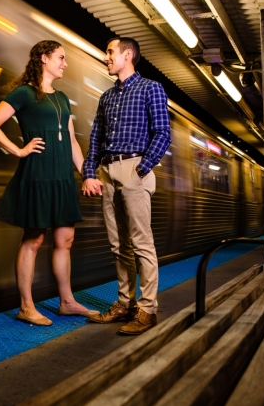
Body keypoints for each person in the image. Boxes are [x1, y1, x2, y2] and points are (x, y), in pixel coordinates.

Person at [0, 40, 98, 326]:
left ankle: (67, 302)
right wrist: (19, 150)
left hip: (61, 176)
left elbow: (71, 140)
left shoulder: (61, 98)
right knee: (33, 240)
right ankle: (26, 306)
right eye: (60, 57)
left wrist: (87, 173)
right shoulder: (24, 93)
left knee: (65, 239)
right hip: (37, 174)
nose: (65, 63)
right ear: (44, 58)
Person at [82, 37, 171, 335]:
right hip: (107, 169)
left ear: (128, 55)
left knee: (142, 243)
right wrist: (89, 173)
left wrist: (143, 168)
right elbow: (95, 139)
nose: (106, 57)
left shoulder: (151, 88)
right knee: (118, 244)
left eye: (110, 52)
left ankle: (147, 309)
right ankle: (124, 303)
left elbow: (162, 133)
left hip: (135, 167)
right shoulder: (107, 97)